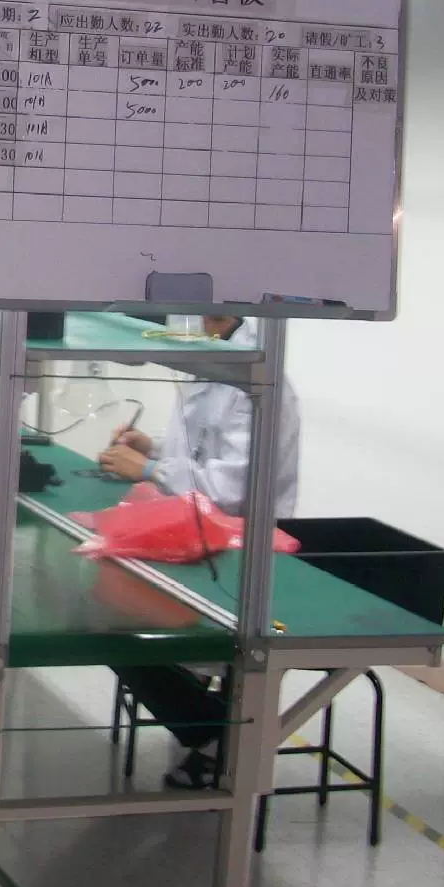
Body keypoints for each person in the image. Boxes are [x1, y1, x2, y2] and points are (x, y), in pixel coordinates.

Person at [98, 315, 301, 788]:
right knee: (108, 607)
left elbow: (231, 490)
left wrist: (147, 469)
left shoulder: (255, 375)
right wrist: (154, 447)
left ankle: (212, 734)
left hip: (242, 546)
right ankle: (204, 721)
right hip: (197, 532)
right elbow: (202, 447)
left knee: (113, 626)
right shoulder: (212, 358)